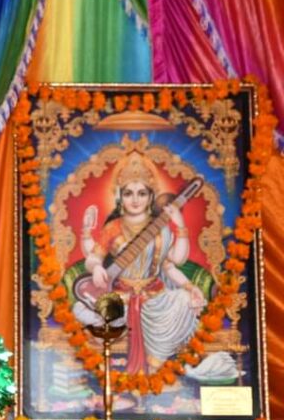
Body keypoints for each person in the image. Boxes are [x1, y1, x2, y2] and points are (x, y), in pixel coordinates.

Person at [77, 151, 205, 374]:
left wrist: (190, 286)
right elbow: (94, 258)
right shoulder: (113, 227)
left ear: (150, 197)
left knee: (185, 301)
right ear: (120, 197)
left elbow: (174, 263)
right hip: (120, 298)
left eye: (141, 193)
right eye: (128, 193)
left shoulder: (161, 229)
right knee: (79, 308)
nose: (135, 200)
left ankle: (154, 370)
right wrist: (96, 267)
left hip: (154, 298)